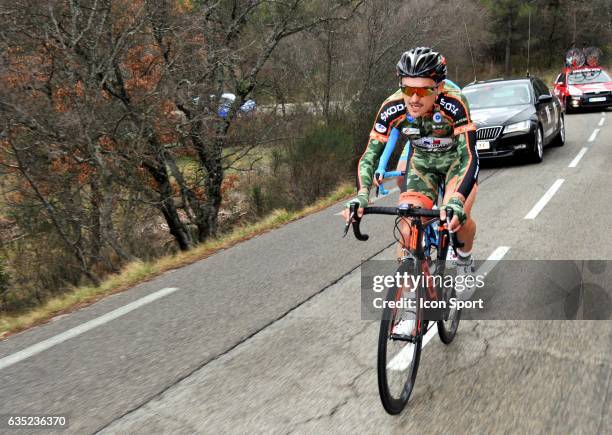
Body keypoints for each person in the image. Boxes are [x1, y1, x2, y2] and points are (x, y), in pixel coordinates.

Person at [342, 47, 479, 333]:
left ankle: (464, 260)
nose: (414, 98)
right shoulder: (392, 106)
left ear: (439, 87)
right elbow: (370, 154)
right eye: (407, 89)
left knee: (457, 217)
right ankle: (410, 306)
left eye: (424, 91)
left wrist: (455, 201)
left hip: (456, 162)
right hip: (422, 164)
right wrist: (361, 195)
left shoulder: (455, 103)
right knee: (407, 230)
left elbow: (469, 156)